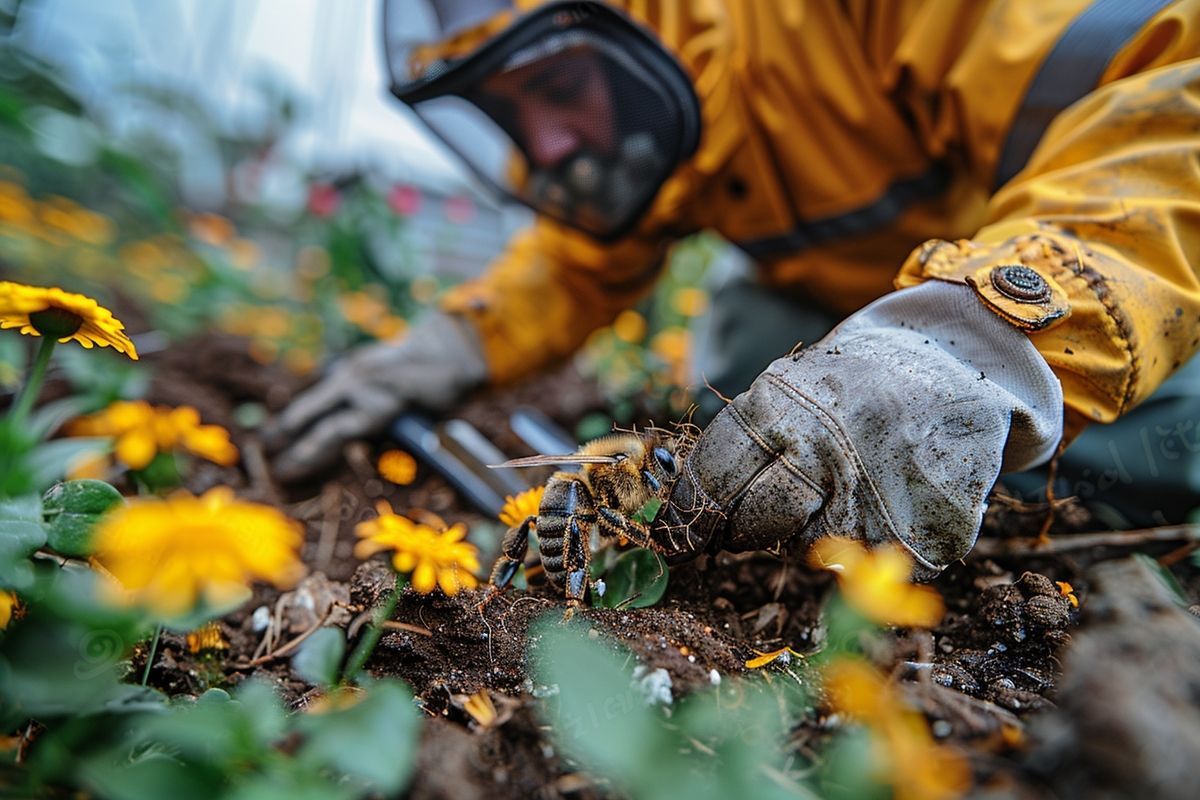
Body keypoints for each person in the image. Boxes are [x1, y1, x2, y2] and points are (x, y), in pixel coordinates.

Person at [270, 0, 1200, 576]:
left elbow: (1172, 107)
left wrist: (978, 339)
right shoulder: (660, 115)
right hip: (850, 333)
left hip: (1093, 297)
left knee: (1170, 450)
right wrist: (453, 345)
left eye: (554, 86)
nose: (548, 147)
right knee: (736, 338)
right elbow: (575, 263)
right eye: (511, 119)